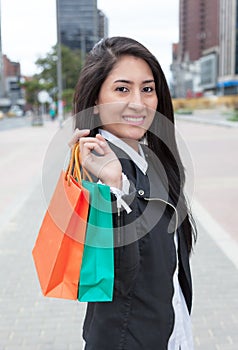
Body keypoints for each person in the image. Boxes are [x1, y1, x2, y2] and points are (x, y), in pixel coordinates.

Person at [69, 37, 197, 350]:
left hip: (168, 329)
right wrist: (115, 185)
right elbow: (122, 269)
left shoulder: (151, 158)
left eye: (148, 89)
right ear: (97, 100)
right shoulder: (96, 168)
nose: (138, 102)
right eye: (122, 89)